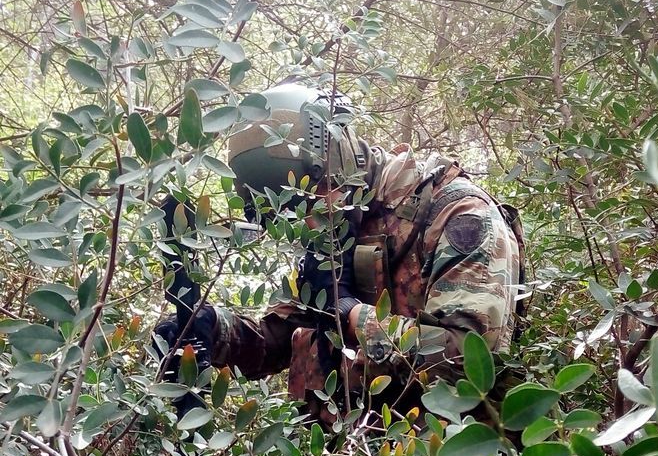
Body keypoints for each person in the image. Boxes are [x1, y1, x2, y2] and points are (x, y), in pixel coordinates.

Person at [155, 82, 524, 422]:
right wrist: (211, 329)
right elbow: (286, 336)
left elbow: (471, 363)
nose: (304, 225)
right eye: (286, 216)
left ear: (340, 164)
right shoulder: (331, 227)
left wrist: (352, 314)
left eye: (309, 202)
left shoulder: (457, 215)